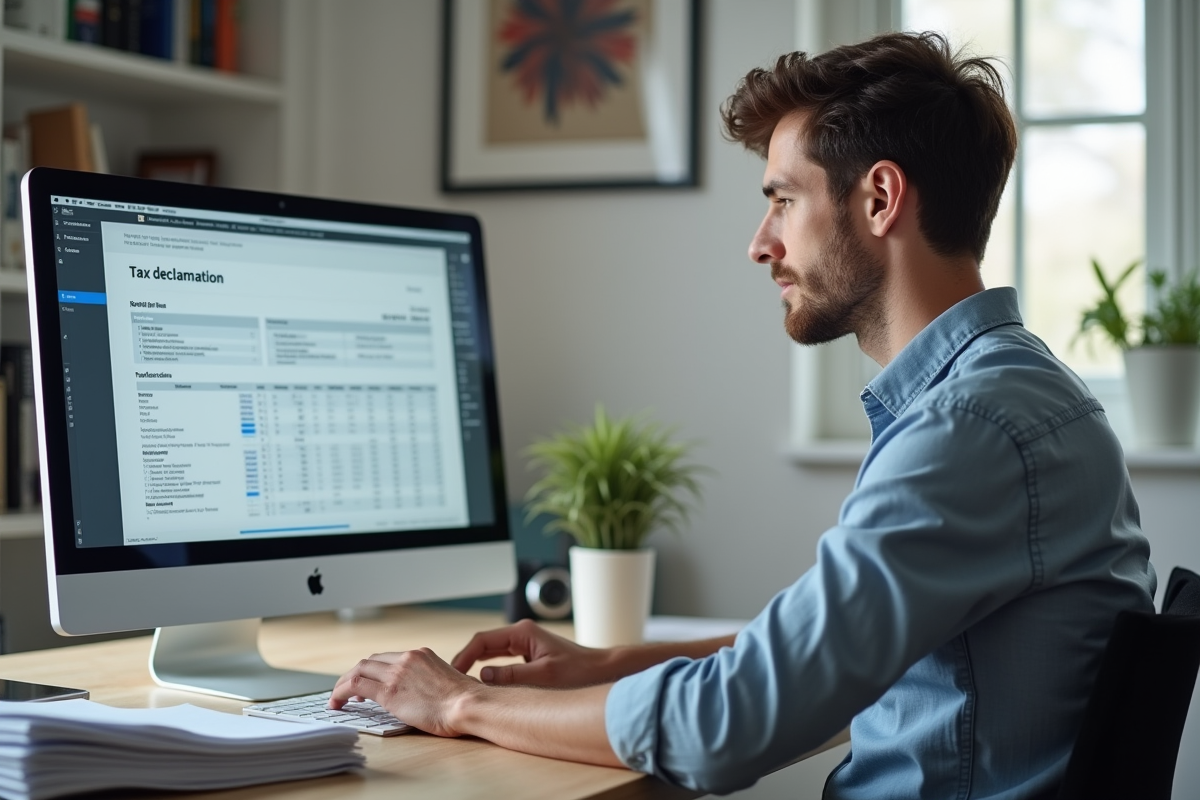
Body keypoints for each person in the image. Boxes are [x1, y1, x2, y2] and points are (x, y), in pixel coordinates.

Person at [330, 31, 1156, 798]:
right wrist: (604, 665)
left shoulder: (970, 427)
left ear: (879, 198)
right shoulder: (1018, 394)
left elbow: (731, 725)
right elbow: (821, 665)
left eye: (784, 200)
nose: (761, 243)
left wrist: (456, 706)